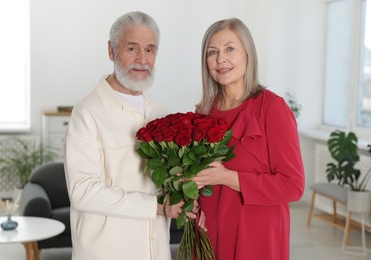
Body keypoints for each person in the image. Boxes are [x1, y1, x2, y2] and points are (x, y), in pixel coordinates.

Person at [64, 11, 194, 260]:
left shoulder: (162, 114)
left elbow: (168, 182)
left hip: (156, 251)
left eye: (150, 50)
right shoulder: (87, 112)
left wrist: (186, 192)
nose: (142, 59)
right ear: (112, 51)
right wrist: (154, 208)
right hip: (105, 252)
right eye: (132, 48)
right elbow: (83, 191)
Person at [192, 18, 305, 260]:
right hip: (210, 232)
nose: (221, 59)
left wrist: (228, 177)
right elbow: (198, 177)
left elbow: (293, 186)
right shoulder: (203, 112)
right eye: (213, 52)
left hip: (257, 236)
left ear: (247, 54)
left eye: (230, 49)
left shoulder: (272, 108)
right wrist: (193, 203)